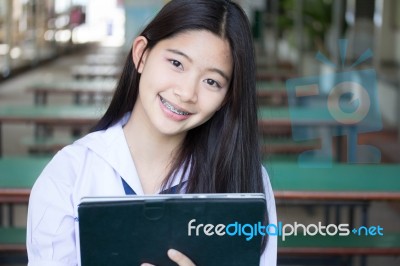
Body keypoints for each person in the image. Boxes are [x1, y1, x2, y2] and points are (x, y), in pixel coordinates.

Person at [26, 0, 277, 265]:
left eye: (212, 81)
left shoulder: (246, 180)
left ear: (227, 98)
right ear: (142, 54)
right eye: (177, 63)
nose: (187, 93)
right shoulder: (68, 175)